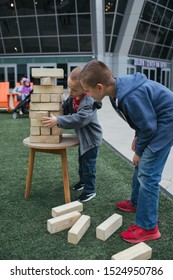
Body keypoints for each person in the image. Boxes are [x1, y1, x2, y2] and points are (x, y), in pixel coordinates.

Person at [79, 60, 173, 243]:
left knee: (148, 173)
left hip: (166, 125)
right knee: (141, 166)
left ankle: (148, 227)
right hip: (155, 124)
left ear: (99, 87)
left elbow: (149, 127)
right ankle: (138, 203)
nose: (86, 95)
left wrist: (139, 150)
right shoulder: (115, 93)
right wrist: (138, 136)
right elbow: (143, 117)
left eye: (88, 91)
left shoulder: (128, 96)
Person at [42, 66, 102, 202]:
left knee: (88, 165)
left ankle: (90, 190)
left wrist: (58, 120)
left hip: (91, 140)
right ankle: (83, 181)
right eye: (68, 87)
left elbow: (80, 119)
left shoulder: (88, 101)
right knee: (82, 162)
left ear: (86, 88)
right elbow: (66, 108)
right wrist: (55, 108)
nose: (70, 92)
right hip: (83, 138)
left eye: (74, 89)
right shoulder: (73, 98)